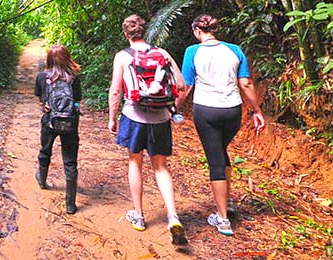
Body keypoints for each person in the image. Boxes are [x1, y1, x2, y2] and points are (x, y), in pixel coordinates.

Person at [180, 14, 265, 236]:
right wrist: (257, 111)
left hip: (206, 111)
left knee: (215, 160)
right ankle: (225, 203)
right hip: (232, 112)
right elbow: (246, 83)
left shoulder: (193, 52)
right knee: (221, 152)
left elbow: (186, 86)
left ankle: (223, 219)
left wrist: (173, 108)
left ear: (197, 31)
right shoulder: (235, 50)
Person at [107, 14, 188, 245]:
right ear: (146, 32)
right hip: (160, 119)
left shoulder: (123, 56)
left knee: (135, 163)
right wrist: (171, 109)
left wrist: (113, 118)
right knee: (161, 167)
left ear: (126, 34)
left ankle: (139, 216)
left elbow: (115, 91)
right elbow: (181, 85)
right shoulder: (162, 53)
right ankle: (173, 216)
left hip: (133, 116)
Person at [35, 44, 83, 214]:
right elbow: (77, 100)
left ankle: (42, 180)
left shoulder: (42, 77)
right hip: (70, 123)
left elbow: (41, 99)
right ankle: (70, 204)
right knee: (70, 161)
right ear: (67, 58)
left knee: (45, 151)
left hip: (49, 122)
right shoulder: (74, 78)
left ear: (49, 59)